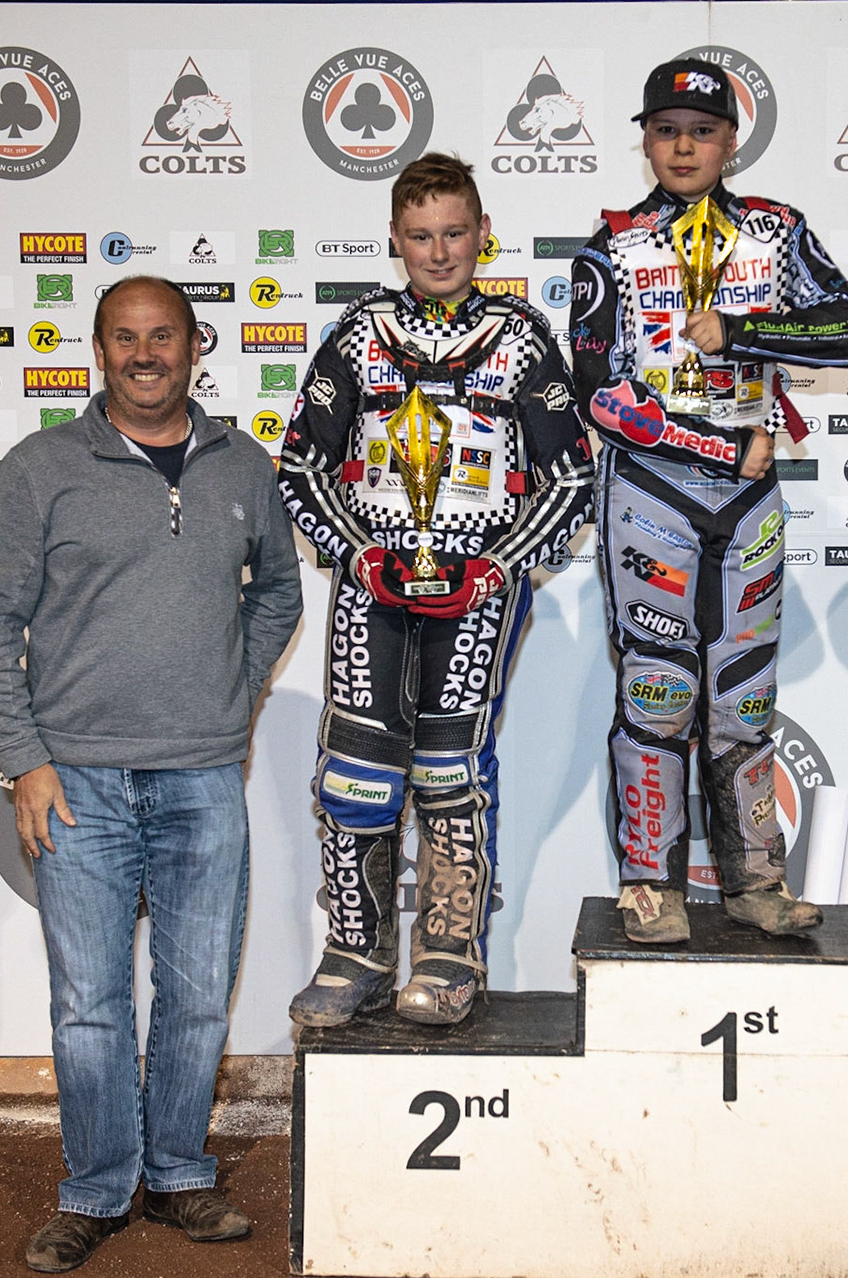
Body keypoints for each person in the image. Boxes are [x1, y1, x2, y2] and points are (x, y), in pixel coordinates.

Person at [0, 275, 303, 1270]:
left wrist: (229, 706)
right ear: (98, 350)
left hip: (201, 781)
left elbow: (275, 594)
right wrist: (24, 758)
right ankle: (97, 1187)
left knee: (197, 995)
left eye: (164, 336)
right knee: (91, 1004)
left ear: (197, 346)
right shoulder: (39, 469)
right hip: (79, 785)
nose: (145, 353)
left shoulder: (245, 466)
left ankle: (182, 1173)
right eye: (124, 337)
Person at [278, 153, 594, 1028]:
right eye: (421, 236)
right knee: (355, 777)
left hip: (478, 586)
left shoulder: (524, 335)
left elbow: (570, 478)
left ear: (483, 234)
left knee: (450, 771)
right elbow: (300, 464)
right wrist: (357, 553)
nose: (440, 250)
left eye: (455, 232)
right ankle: (355, 952)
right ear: (394, 240)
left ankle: (452, 958)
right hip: (371, 586)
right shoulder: (359, 331)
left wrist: (495, 566)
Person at [571, 59, 848, 944]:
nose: (682, 146)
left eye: (700, 131)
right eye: (666, 130)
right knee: (658, 691)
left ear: (730, 142)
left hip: (749, 501)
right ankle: (649, 883)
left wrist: (747, 330)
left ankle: (755, 882)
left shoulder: (777, 235)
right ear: (645, 141)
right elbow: (598, 391)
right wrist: (712, 445)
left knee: (743, 698)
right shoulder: (614, 245)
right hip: (654, 489)